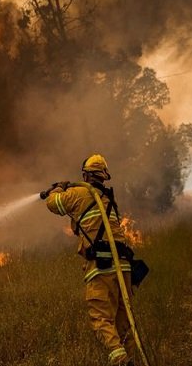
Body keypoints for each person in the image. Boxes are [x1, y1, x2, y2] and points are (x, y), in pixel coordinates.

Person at [44, 154, 135, 366]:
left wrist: (58, 188)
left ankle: (120, 360)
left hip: (101, 267)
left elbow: (52, 204)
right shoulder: (108, 198)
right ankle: (130, 358)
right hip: (123, 266)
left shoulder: (79, 192)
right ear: (104, 175)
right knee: (123, 322)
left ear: (84, 174)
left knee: (101, 318)